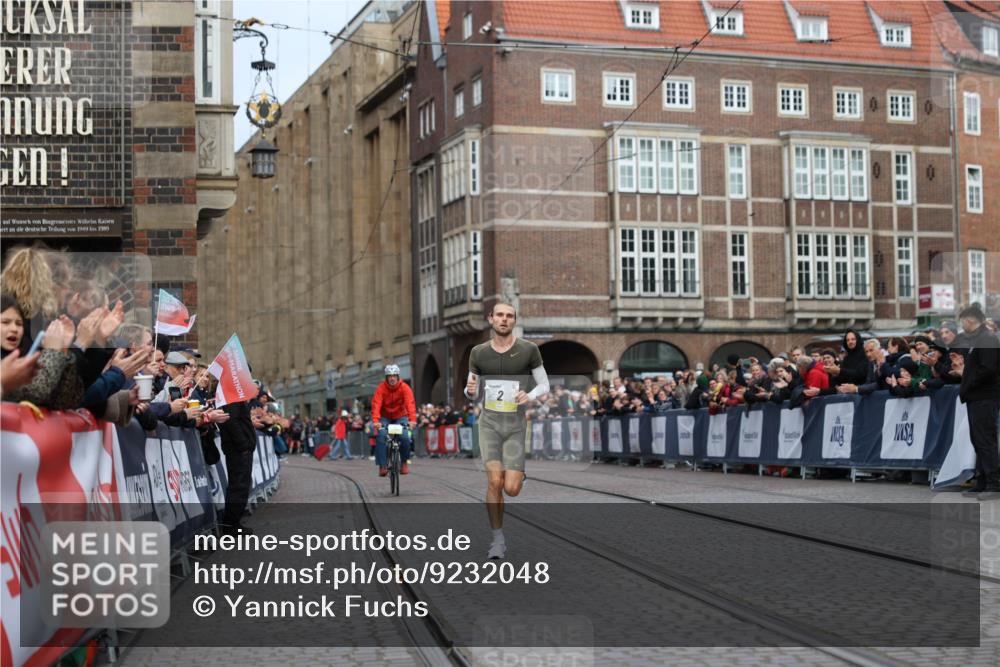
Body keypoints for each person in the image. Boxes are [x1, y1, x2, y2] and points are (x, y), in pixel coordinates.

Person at [465, 302, 550, 560]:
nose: (504, 319)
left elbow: (544, 384)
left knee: (511, 489)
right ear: (490, 319)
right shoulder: (478, 353)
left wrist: (530, 393)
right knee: (494, 482)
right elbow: (471, 389)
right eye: (499, 315)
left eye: (509, 316)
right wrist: (469, 392)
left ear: (514, 321)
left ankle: (519, 474)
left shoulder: (529, 349)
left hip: (515, 425)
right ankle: (497, 540)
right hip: (489, 423)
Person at [954, 305, 1000, 498]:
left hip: (984, 397)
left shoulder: (987, 339)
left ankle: (994, 484)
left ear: (970, 320)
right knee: (978, 441)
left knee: (985, 440)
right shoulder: (980, 339)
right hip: (977, 396)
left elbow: (988, 369)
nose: (962, 326)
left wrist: (969, 381)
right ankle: (982, 481)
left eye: (963, 322)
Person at [371, 364, 417, 476]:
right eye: (389, 376)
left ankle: (404, 462)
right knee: (381, 436)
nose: (392, 378)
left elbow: (410, 404)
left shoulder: (405, 388)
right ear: (386, 378)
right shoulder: (381, 388)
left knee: (405, 437)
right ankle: (382, 466)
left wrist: (412, 420)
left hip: (400, 416)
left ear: (398, 376)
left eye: (394, 376)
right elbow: (376, 405)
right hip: (385, 417)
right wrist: (376, 421)